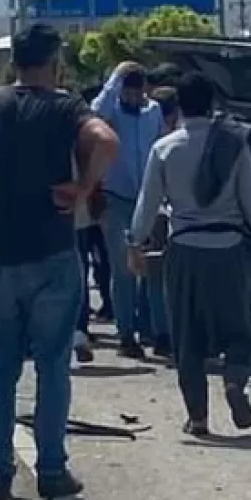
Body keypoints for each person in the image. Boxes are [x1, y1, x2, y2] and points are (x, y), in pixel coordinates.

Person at [0, 23, 120, 500]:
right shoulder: (65, 107)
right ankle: (52, 469)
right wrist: (83, 188)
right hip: (53, 252)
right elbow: (106, 141)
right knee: (52, 365)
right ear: (55, 61)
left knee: (1, 367)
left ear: (13, 61)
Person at [129, 72, 251, 436]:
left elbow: (147, 203)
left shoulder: (164, 149)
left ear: (179, 106)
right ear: (212, 105)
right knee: (237, 327)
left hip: (184, 249)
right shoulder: (234, 145)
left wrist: (135, 244)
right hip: (229, 248)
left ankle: (197, 417)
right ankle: (235, 380)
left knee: (187, 335)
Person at [91, 62, 169, 359]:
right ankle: (126, 334)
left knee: (153, 267)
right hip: (116, 197)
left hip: (148, 197)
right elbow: (94, 113)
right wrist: (116, 77)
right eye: (128, 93)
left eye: (137, 93)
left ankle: (159, 332)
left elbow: (160, 146)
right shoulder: (111, 112)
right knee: (123, 268)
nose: (133, 98)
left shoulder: (153, 112)